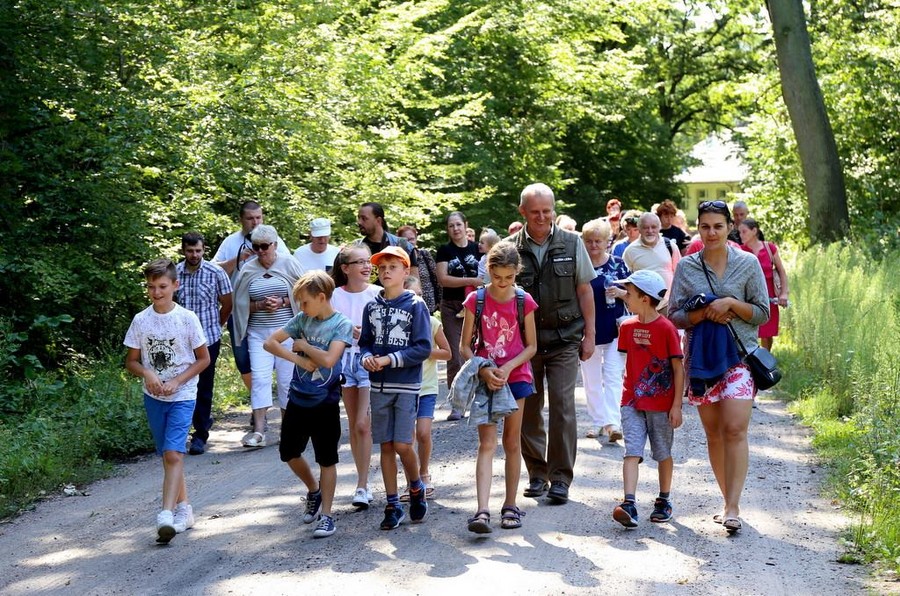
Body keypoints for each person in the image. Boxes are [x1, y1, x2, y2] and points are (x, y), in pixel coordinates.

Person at [669, 200, 769, 534]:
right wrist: (702, 313)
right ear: (698, 228)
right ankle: (726, 499)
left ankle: (733, 506)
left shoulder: (748, 262)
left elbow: (762, 313)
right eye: (705, 226)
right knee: (713, 433)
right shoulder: (687, 267)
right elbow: (675, 315)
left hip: (740, 356)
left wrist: (731, 304)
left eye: (718, 226)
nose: (711, 233)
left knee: (735, 429)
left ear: (730, 228)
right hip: (702, 360)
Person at [510, 183, 596, 504]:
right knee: (528, 409)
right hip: (525, 344)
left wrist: (591, 335)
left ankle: (560, 477)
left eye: (547, 211)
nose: (543, 217)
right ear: (523, 213)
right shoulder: (509, 250)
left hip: (564, 338)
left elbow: (585, 291)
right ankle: (537, 473)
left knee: (563, 407)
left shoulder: (572, 243)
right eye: (536, 212)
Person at [124, 259, 210, 543]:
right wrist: (147, 372)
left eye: (162, 286)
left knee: (174, 454)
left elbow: (203, 359)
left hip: (183, 395)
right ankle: (185, 509)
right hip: (154, 397)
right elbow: (132, 361)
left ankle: (166, 514)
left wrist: (177, 381)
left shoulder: (187, 319)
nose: (156, 292)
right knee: (167, 455)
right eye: (151, 287)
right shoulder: (141, 320)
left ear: (175, 285)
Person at [262, 271, 354, 539]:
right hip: (298, 399)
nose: (301, 308)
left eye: (304, 302)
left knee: (327, 458)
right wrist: (300, 359)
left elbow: (328, 360)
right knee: (288, 452)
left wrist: (304, 346)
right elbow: (270, 343)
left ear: (321, 297)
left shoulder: (341, 324)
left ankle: (326, 516)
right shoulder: (302, 319)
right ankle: (313, 490)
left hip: (325, 402)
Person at [459, 241, 538, 533]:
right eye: (497, 277)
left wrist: (506, 367)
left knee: (513, 442)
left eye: (509, 277)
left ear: (517, 272)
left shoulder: (523, 300)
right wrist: (484, 369)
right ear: (488, 270)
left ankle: (510, 505)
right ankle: (481, 510)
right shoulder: (475, 300)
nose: (503, 283)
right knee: (487, 444)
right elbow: (465, 346)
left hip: (516, 377)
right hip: (486, 378)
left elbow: (531, 346)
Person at [359, 246, 432, 530]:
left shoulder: (416, 305)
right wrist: (366, 358)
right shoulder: (371, 306)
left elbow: (423, 347)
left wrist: (390, 359)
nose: (386, 271)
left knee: (403, 443)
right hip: (378, 385)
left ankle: (416, 486)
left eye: (392, 267)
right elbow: (365, 341)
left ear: (405, 272)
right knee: (386, 446)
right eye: (382, 267)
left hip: (406, 384)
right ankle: (392, 503)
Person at [609, 270, 684, 528]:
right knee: (632, 450)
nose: (625, 297)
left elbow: (677, 369)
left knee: (662, 452)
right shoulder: (627, 327)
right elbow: (628, 361)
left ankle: (664, 500)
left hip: (661, 404)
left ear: (644, 297)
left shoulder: (667, 329)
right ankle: (629, 503)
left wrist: (676, 406)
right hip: (631, 401)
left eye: (628, 293)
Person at [231, 225, 305, 448]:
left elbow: (305, 292)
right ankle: (259, 431)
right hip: (258, 333)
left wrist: (283, 301)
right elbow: (239, 304)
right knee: (260, 379)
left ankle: (288, 428)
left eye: (265, 246)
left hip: (286, 332)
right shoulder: (247, 269)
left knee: (285, 381)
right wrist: (260, 304)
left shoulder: (289, 263)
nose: (261, 251)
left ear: (274, 245)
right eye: (256, 247)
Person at [213, 201, 291, 396]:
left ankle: (271, 402)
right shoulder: (231, 242)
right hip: (239, 309)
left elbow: (291, 271)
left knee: (277, 360)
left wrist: (282, 300)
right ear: (241, 220)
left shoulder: (275, 240)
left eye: (259, 217)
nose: (255, 222)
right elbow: (214, 271)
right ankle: (258, 398)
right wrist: (240, 259)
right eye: (250, 218)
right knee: (242, 360)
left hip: (275, 311)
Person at [330, 244, 381, 508]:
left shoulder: (378, 293)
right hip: (344, 361)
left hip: (368, 361)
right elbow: (327, 326)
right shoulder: (335, 295)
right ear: (345, 268)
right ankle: (362, 484)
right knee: (353, 424)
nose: (366, 266)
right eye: (359, 262)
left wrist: (368, 335)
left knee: (363, 423)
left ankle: (363, 484)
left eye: (368, 261)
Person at [175, 232, 233, 455]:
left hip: (208, 337)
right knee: (179, 384)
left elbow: (227, 303)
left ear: (204, 249)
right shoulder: (175, 273)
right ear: (183, 251)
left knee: (203, 385)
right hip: (180, 340)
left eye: (198, 251)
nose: (194, 255)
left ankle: (200, 434)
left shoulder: (215, 272)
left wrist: (217, 325)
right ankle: (180, 431)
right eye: (190, 251)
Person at [400, 276, 451, 502]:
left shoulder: (432, 323)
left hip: (427, 387)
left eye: (420, 295)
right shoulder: (397, 325)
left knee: (422, 433)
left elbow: (447, 353)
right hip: (403, 387)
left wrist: (424, 352)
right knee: (406, 438)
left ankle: (424, 473)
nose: (417, 300)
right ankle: (411, 482)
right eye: (412, 296)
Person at [580, 219, 629, 441]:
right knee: (590, 379)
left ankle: (613, 423)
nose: (593, 245)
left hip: (614, 327)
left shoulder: (618, 264)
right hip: (586, 330)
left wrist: (619, 293)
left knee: (612, 376)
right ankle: (598, 420)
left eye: (598, 241)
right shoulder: (579, 267)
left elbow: (633, 294)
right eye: (589, 241)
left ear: (607, 241)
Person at [435, 211, 483, 421]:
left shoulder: (477, 249)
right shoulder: (445, 250)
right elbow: (443, 279)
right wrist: (471, 281)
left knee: (478, 352)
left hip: (477, 306)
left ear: (466, 225)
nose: (455, 229)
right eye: (451, 226)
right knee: (455, 355)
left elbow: (487, 275)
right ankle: (457, 404)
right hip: (452, 306)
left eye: (458, 225)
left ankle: (482, 400)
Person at [739, 218, 789, 351]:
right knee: (750, 330)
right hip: (749, 297)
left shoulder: (769, 248)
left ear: (754, 231)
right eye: (739, 232)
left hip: (769, 297)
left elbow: (781, 271)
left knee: (766, 334)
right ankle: (750, 360)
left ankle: (765, 362)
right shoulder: (740, 250)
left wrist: (784, 293)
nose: (741, 235)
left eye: (744, 232)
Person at [622, 212, 681, 314]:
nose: (650, 231)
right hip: (642, 307)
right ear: (639, 229)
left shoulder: (670, 246)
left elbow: (680, 274)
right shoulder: (630, 251)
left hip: (668, 306)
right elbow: (625, 280)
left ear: (659, 228)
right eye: (646, 227)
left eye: (653, 227)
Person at [357, 202, 418, 280]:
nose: (359, 222)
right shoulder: (357, 248)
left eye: (364, 218)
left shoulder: (402, 246)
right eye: (358, 218)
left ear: (378, 220)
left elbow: (414, 281)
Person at [397, 225, 441, 314]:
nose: (409, 242)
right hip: (405, 305)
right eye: (406, 240)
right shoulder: (396, 260)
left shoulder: (424, 255)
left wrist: (440, 300)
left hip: (428, 304)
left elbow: (437, 278)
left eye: (412, 239)